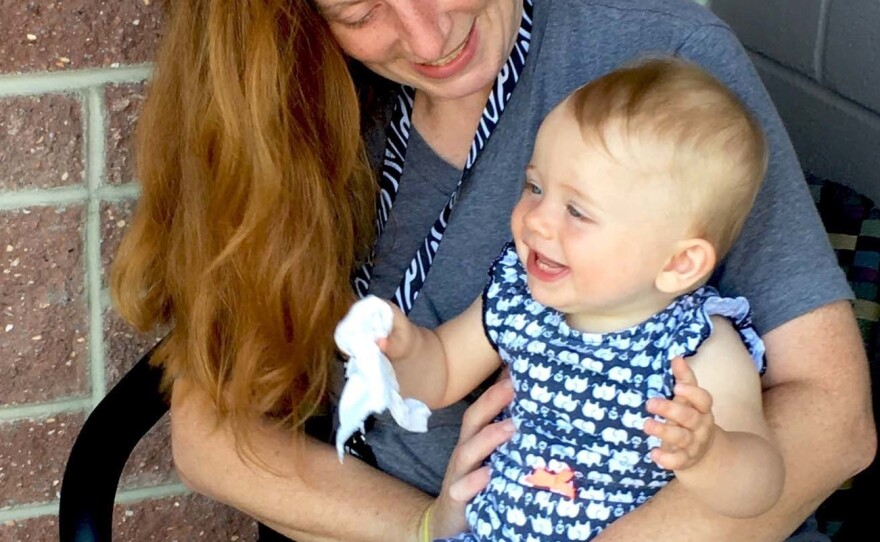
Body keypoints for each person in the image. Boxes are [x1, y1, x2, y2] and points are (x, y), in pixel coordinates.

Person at [111, 0, 876, 541]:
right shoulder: (290, 102)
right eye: (357, 11)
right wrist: (425, 528)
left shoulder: (661, 61)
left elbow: (834, 421)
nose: (426, 32)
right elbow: (210, 434)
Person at [365, 57, 784, 541]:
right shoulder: (521, 298)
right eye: (535, 186)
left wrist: (711, 454)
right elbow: (438, 374)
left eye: (577, 211)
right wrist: (403, 348)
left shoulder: (695, 348)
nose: (537, 219)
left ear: (678, 264)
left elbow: (762, 486)